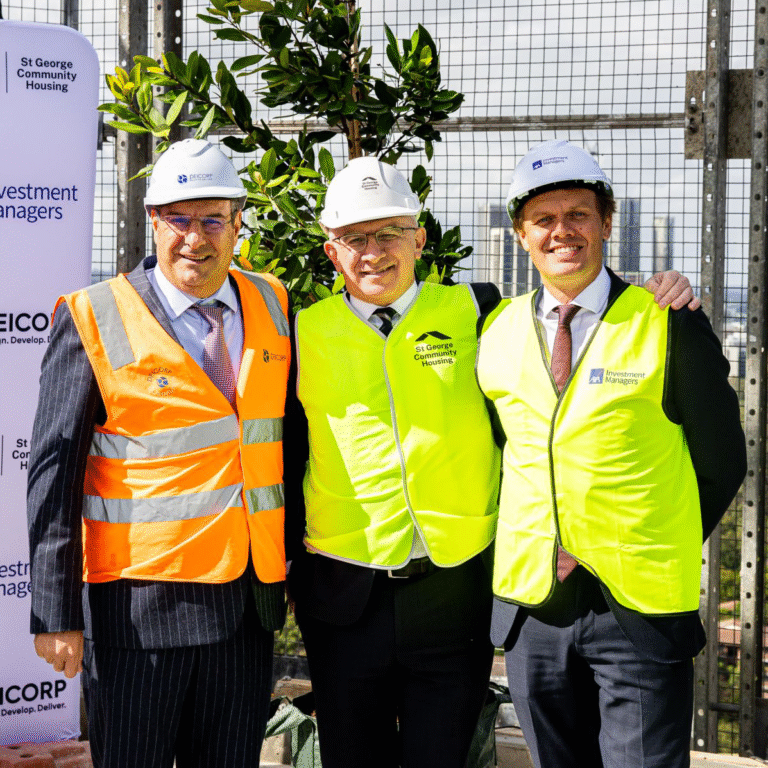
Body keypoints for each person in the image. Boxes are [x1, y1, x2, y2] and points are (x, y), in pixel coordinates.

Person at [287, 155, 699, 768]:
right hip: (344, 595)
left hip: (457, 591)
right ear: (331, 252)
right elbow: (286, 454)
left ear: (419, 240)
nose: (372, 252)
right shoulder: (300, 331)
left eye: (390, 232)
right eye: (354, 238)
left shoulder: (481, 312)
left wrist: (665, 290)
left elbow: (557, 347)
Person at [27, 138, 298, 768]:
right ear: (153, 220)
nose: (195, 239)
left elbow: (288, 441)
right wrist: (55, 613)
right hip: (137, 614)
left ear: (238, 223)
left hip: (247, 609)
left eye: (213, 220)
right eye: (179, 219)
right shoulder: (93, 316)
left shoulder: (272, 301)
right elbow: (53, 475)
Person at [476, 139, 747, 768]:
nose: (561, 232)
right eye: (543, 219)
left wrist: (657, 533)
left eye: (578, 214)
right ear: (521, 235)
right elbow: (504, 449)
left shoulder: (668, 320)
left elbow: (721, 460)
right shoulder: (496, 330)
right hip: (534, 609)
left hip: (638, 611)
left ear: (606, 222)